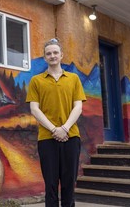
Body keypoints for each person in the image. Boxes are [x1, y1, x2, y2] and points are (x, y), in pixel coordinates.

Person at [26, 38, 86, 207]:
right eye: (48, 53)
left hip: (71, 137)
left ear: (61, 55)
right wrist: (54, 129)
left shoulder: (73, 79)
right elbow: (34, 110)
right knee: (50, 185)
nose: (52, 56)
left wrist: (65, 128)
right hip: (46, 138)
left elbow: (78, 107)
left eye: (55, 53)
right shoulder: (36, 81)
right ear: (45, 57)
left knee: (68, 185)